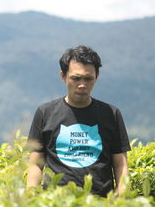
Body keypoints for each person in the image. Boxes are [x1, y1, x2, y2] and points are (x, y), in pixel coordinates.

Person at [26, 45, 130, 197]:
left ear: (97, 77)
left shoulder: (111, 113)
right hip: (55, 201)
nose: (82, 85)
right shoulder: (45, 112)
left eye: (88, 78)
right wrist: (30, 197)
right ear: (63, 76)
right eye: (76, 78)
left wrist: (122, 199)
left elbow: (121, 165)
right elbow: (35, 164)